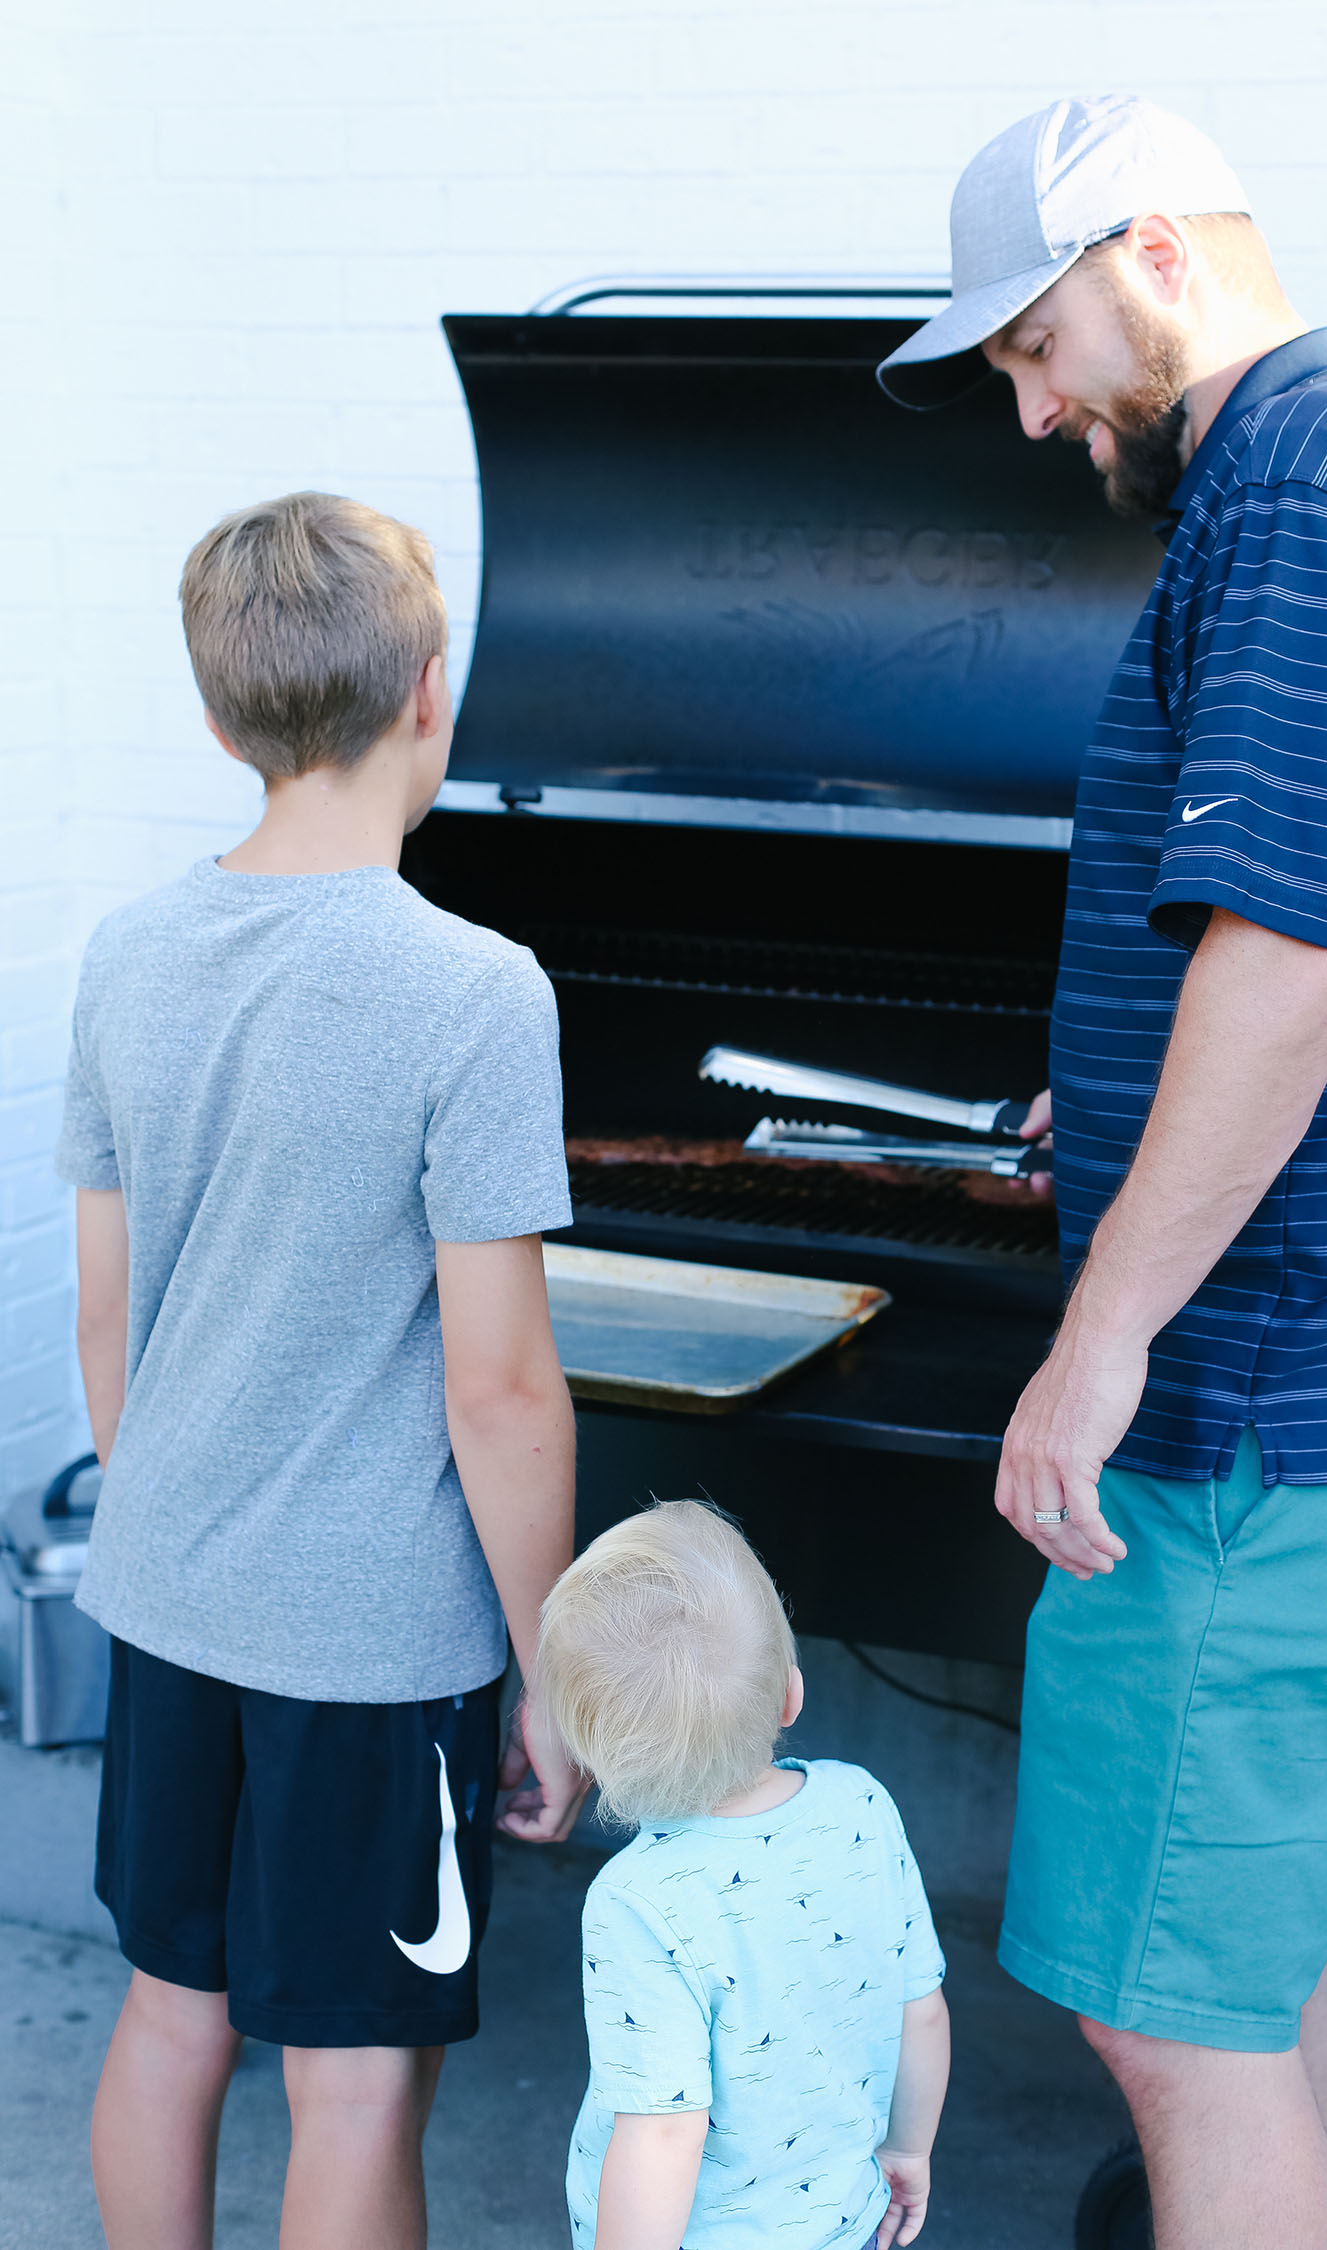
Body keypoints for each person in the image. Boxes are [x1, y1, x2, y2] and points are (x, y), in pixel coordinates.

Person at [878, 93, 1327, 2250]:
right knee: (1251, 1979)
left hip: (1256, 1423)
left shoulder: (1308, 496)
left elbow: (1300, 956)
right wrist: (1123, 1106)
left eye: (1033, 347)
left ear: (1153, 250)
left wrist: (1102, 1336)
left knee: (1168, 2035)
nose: (1034, 410)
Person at [56, 491, 589, 2250]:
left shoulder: (127, 955)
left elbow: (105, 1316)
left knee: (170, 2012)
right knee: (353, 2077)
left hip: (170, 1594)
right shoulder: (478, 992)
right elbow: (500, 1390)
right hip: (371, 1644)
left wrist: (170, 1537)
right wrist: (552, 1671)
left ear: (220, 722)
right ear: (431, 693)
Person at [531, 1499, 950, 2250]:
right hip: (849, 2222)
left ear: (591, 1756)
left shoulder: (638, 1901)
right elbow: (920, 2008)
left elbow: (663, 2134)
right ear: (790, 1691)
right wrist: (907, 2150)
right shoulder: (861, 1804)